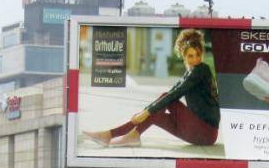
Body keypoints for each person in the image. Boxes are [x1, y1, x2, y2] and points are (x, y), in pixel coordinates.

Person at [84, 29, 220, 148]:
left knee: (165, 100)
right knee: (156, 114)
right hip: (200, 133)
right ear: (183, 56)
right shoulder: (190, 72)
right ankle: (118, 135)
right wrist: (146, 112)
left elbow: (173, 95)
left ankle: (113, 135)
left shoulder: (202, 70)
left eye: (198, 55)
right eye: (190, 56)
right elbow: (173, 92)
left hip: (205, 132)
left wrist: (145, 112)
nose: (195, 59)